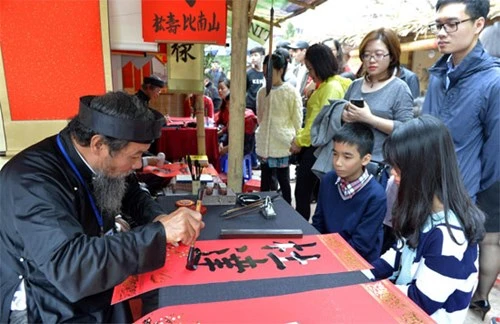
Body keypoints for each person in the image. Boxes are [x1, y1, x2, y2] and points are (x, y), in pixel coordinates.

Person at [0, 92, 205, 322]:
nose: (139, 164)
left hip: (94, 279)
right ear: (99, 144)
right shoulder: (32, 180)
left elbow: (132, 193)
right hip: (44, 299)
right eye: (135, 155)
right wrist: (159, 233)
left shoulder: (102, 159)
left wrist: (157, 218)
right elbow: (70, 265)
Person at [363, 115, 485, 323]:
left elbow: (421, 302)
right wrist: (366, 275)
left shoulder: (450, 236)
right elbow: (400, 252)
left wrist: (370, 291)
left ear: (422, 170)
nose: (393, 174)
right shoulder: (423, 208)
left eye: (399, 167)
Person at [422, 1, 500, 320]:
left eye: (452, 24)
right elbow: (426, 127)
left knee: (469, 258)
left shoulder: (493, 80)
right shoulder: (440, 73)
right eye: (438, 24)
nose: (442, 32)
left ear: (478, 24)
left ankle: (477, 301)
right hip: (431, 186)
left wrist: (474, 195)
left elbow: (496, 150)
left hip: (470, 190)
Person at [289, 43, 352, 221]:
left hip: (316, 147)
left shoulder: (330, 88)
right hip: (320, 146)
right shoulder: (329, 85)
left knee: (303, 192)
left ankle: (301, 229)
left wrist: (298, 141)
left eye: (310, 68)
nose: (309, 73)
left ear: (320, 65)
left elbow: (318, 122)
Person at [311, 122, 386, 262]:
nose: (338, 162)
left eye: (347, 157)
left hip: (356, 261)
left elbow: (361, 246)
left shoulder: (376, 196)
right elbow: (318, 223)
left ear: (365, 159)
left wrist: (325, 256)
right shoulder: (328, 180)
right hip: (325, 254)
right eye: (335, 154)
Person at [342, 28, 414, 165]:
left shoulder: (399, 88)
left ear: (392, 56)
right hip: (350, 164)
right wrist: (343, 116)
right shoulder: (355, 85)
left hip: (380, 165)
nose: (371, 60)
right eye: (366, 55)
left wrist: (370, 119)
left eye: (378, 54)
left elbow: (407, 130)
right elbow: (342, 116)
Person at [255, 52, 303, 204]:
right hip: (265, 143)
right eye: (264, 74)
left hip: (283, 143)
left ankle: (287, 208)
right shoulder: (262, 92)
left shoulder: (291, 92)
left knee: (283, 180)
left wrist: (298, 140)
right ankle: (262, 206)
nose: (266, 77)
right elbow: (260, 116)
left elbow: (297, 120)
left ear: (280, 70)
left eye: (269, 73)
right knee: (265, 179)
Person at [246, 46, 266, 114]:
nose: (253, 58)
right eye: (251, 56)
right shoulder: (248, 73)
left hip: (264, 107)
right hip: (250, 107)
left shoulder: (267, 73)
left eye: (255, 55)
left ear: (262, 56)